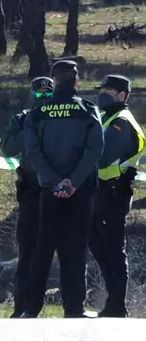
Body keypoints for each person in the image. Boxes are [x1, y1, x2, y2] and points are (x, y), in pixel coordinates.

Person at [22, 60, 104, 319]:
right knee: (75, 249)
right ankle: (74, 309)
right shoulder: (88, 110)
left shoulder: (38, 113)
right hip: (80, 191)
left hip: (48, 190)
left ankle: (31, 309)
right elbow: (95, 150)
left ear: (54, 80)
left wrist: (54, 180)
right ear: (77, 81)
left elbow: (32, 152)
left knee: (42, 249)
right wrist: (74, 181)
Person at [0, 77, 55, 318]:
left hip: (58, 192)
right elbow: (7, 147)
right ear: (32, 95)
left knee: (64, 251)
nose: (43, 99)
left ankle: (73, 308)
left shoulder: (62, 117)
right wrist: (31, 127)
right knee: (27, 254)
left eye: (48, 94)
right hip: (31, 192)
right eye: (39, 95)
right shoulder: (23, 118)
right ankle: (21, 307)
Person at [89, 75, 144, 318]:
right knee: (98, 243)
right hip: (103, 192)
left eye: (108, 91)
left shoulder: (121, 123)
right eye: (102, 90)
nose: (103, 95)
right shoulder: (108, 118)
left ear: (122, 95)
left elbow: (102, 155)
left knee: (112, 247)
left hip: (114, 192)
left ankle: (116, 305)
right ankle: (113, 300)